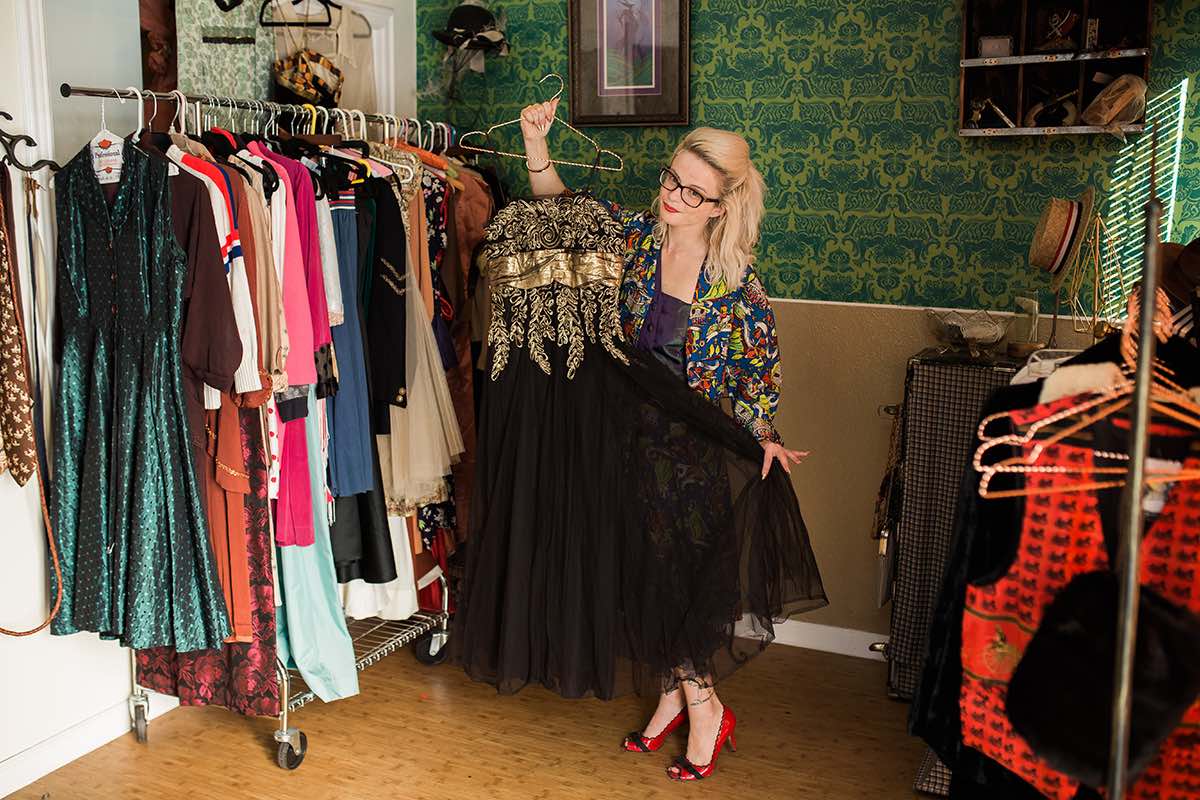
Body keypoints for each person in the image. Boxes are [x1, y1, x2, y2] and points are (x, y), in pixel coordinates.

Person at [519, 98, 810, 781]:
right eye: (670, 180)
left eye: (692, 191)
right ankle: (671, 700)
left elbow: (757, 377)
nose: (672, 196)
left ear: (720, 205)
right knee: (642, 577)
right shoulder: (638, 238)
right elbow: (563, 210)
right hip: (628, 442)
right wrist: (537, 144)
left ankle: (704, 709)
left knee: (680, 584)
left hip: (695, 456)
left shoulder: (739, 288)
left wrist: (762, 433)